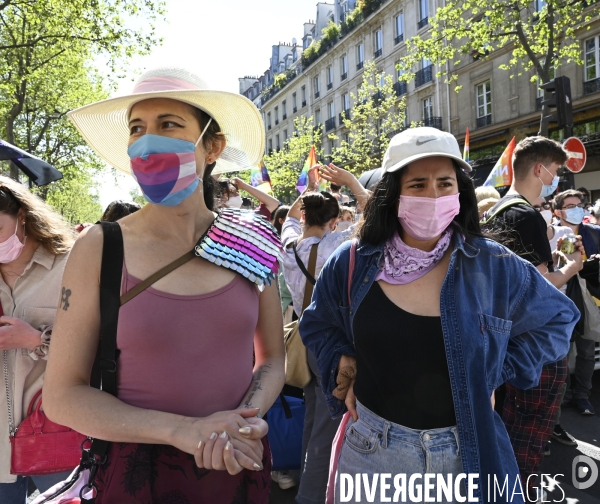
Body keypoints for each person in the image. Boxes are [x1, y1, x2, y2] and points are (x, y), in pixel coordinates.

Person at [42, 68, 285, 503]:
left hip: (238, 461)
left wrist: (246, 420)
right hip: (137, 475)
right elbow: (62, 396)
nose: (148, 141)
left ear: (213, 146)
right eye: (137, 129)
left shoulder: (252, 241)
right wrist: (182, 431)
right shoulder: (99, 248)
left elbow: (271, 360)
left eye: (168, 124)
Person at [299, 127, 578, 504]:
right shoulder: (350, 262)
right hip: (370, 453)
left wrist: (495, 371)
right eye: (417, 184)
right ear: (393, 193)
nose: (433, 196)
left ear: (459, 192)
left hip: (469, 455)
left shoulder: (493, 265)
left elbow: (557, 320)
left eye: (445, 183)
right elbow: (317, 324)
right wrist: (341, 364)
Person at [482, 136, 582, 499]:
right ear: (539, 170)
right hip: (532, 345)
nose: (556, 180)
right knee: (526, 441)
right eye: (555, 172)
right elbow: (541, 289)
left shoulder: (499, 210)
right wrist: (572, 268)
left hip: (505, 339)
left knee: (507, 436)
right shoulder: (525, 215)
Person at [282, 164, 368, 504]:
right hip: (332, 343)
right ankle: (311, 495)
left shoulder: (288, 246)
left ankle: (308, 485)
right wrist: (349, 182)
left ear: (304, 216)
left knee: (313, 419)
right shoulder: (337, 243)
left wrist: (308, 190)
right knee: (327, 427)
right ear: (333, 221)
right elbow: (374, 214)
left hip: (303, 339)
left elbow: (289, 217)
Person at [0, 176, 75, 502]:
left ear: (23, 217)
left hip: (57, 432)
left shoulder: (71, 266)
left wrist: (36, 340)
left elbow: (104, 344)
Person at [552, 189, 599, 416]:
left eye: (579, 205)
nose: (576, 209)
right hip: (560, 303)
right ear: (558, 211)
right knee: (561, 353)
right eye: (570, 207)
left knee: (587, 351)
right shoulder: (550, 234)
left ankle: (582, 396)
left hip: (589, 301)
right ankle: (563, 397)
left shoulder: (594, 233)